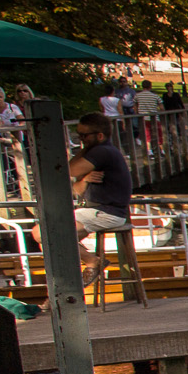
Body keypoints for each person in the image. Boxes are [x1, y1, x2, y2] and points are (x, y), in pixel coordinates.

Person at [68, 113, 132, 283]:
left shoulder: (102, 151)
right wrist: (86, 179)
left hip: (106, 212)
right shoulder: (97, 153)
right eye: (79, 135)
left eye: (84, 136)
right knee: (48, 239)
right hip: (93, 210)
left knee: (46, 234)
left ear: (100, 136)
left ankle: (92, 262)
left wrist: (85, 151)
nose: (81, 139)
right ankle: (74, 280)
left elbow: (69, 171)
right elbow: (76, 188)